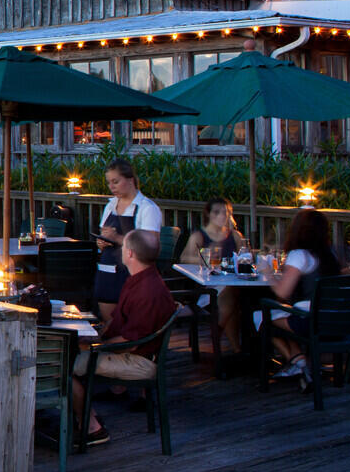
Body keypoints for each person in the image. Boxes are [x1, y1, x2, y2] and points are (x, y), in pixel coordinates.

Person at [69, 229, 175, 447]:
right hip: (127, 348)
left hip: (140, 360)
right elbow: (117, 319)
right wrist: (93, 336)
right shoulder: (137, 279)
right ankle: (85, 415)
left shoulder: (148, 290)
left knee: (64, 367)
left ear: (131, 254)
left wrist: (97, 347)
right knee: (71, 350)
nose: (122, 251)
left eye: (124, 247)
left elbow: (132, 342)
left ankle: (92, 428)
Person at [266, 208, 344, 387]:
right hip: (336, 320)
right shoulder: (330, 255)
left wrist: (268, 273)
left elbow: (282, 293)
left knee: (261, 315)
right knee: (283, 314)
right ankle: (300, 360)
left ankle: (299, 362)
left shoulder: (299, 255)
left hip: (310, 322)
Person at [92, 158, 163, 324]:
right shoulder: (110, 206)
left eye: (116, 181)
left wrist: (116, 238)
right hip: (107, 268)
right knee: (108, 322)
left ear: (130, 179)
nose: (111, 187)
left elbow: (150, 246)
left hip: (133, 273)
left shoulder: (147, 208)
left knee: (130, 323)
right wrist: (101, 242)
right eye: (109, 182)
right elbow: (104, 234)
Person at [181, 197, 249, 352]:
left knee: (236, 295)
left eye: (225, 213)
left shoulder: (235, 235)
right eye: (217, 212)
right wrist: (204, 259)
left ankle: (236, 349)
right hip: (207, 286)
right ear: (209, 215)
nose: (222, 216)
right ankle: (221, 337)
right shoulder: (200, 236)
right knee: (232, 295)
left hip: (233, 282)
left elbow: (245, 258)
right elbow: (184, 258)